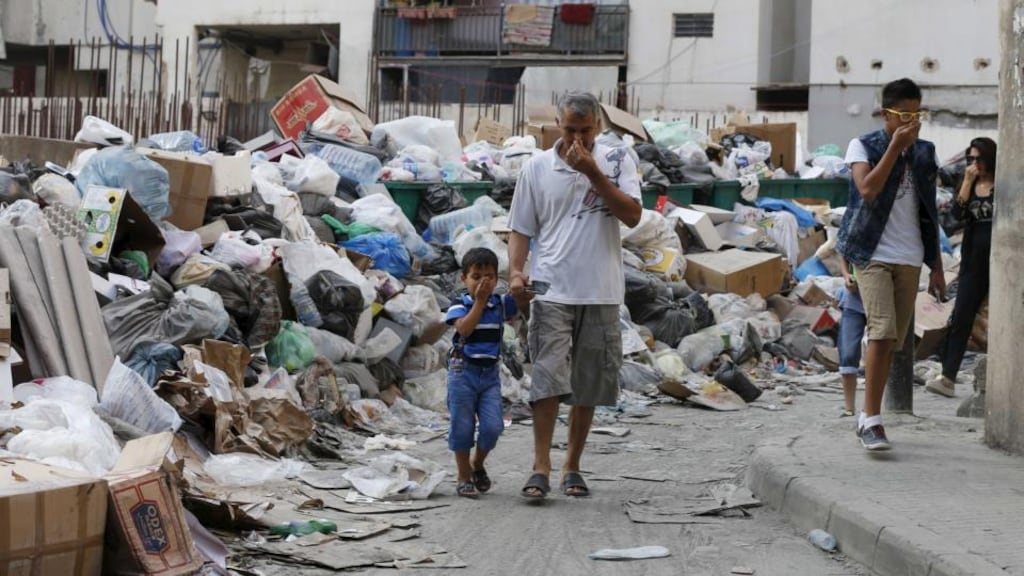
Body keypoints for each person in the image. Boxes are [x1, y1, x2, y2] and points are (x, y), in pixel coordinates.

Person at [507, 91, 642, 499]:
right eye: (570, 130)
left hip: (600, 290)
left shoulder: (618, 161)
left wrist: (594, 174)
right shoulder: (537, 167)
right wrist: (516, 272)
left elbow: (633, 215)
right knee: (547, 379)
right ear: (557, 126)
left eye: (586, 131)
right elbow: (521, 228)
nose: (578, 139)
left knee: (588, 383)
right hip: (551, 288)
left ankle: (573, 466)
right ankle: (541, 466)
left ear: (598, 127)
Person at [836, 78, 945, 451]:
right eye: (904, 115)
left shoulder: (925, 152)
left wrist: (937, 266)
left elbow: (929, 212)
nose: (912, 122)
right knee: (882, 332)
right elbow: (866, 190)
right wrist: (895, 148)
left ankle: (867, 416)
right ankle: (873, 421)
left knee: (891, 342)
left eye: (918, 115)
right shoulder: (864, 145)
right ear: (887, 114)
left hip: (909, 256)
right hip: (871, 252)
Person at [444, 247, 519, 498]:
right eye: (476, 276)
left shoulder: (500, 304)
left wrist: (523, 287)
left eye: (488, 277)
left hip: (489, 375)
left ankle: (477, 464)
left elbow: (521, 302)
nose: (482, 282)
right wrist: (479, 301)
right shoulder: (459, 303)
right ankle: (463, 476)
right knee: (462, 426)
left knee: (493, 427)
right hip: (462, 372)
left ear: (497, 279)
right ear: (464, 279)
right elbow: (464, 330)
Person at [927, 137, 996, 397]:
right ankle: (948, 377)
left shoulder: (1004, 185)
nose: (975, 164)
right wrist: (967, 181)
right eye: (971, 159)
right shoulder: (969, 184)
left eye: (979, 159)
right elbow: (955, 218)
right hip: (973, 262)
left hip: (1002, 262)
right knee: (961, 317)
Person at [838, 257, 867, 418]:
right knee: (848, 353)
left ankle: (870, 408)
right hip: (854, 300)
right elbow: (844, 252)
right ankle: (849, 408)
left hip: (880, 300)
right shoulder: (856, 233)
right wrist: (846, 275)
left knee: (879, 353)